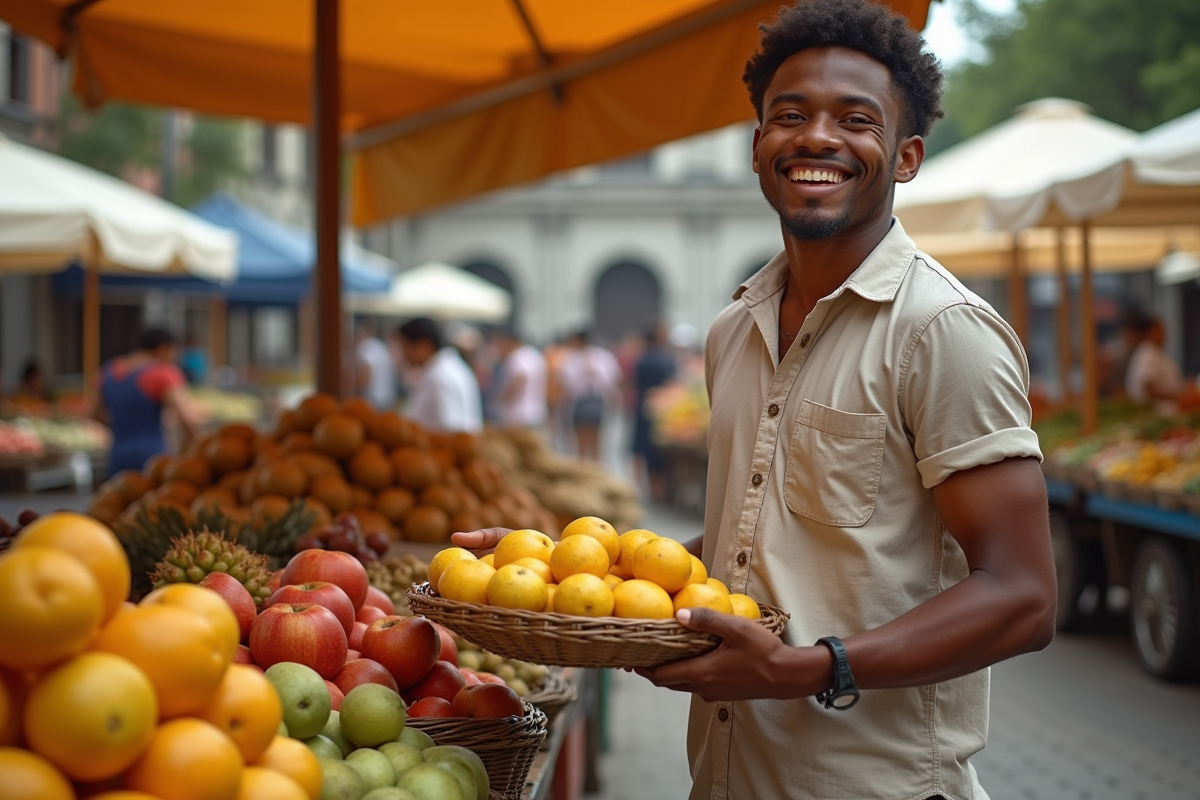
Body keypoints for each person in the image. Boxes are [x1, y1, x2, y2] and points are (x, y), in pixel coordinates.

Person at [455, 2, 1056, 798]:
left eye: (856, 119)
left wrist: (809, 668)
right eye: (790, 115)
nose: (816, 137)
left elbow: (1023, 597)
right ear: (757, 147)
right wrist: (564, 572)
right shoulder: (733, 332)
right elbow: (752, 554)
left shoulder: (943, 332)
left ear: (906, 157)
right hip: (729, 775)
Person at [96, 328, 202, 474]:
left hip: (117, 455)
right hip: (153, 457)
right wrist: (200, 451)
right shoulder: (163, 373)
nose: (176, 357)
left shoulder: (108, 371)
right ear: (163, 348)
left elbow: (94, 413)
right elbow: (187, 420)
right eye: (175, 351)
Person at [396, 317, 482, 433]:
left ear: (423, 346)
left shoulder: (441, 378)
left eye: (404, 347)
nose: (403, 354)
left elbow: (452, 430)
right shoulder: (449, 369)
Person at [557, 330, 622, 461]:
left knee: (596, 443)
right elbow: (566, 384)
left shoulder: (603, 357)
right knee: (580, 444)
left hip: (597, 400)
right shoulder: (571, 358)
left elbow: (612, 381)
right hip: (579, 401)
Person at [631, 324, 676, 502]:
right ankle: (659, 490)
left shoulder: (642, 361)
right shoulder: (666, 360)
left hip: (643, 409)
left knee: (642, 450)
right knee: (657, 453)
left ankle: (645, 488)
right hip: (662, 410)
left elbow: (634, 384)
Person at [1125, 315, 1185, 416]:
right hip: (1154, 413)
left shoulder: (1155, 352)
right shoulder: (1147, 354)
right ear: (1147, 334)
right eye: (1159, 331)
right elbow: (1148, 389)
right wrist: (1179, 395)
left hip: (1166, 413)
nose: (1164, 334)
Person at [492, 328, 548, 429]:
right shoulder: (534, 354)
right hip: (536, 411)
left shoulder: (515, 357)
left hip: (517, 415)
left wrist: (502, 398)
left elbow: (520, 379)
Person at [354, 320, 397, 410]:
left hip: (372, 402)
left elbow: (365, 374)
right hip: (387, 399)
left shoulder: (365, 346)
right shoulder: (381, 346)